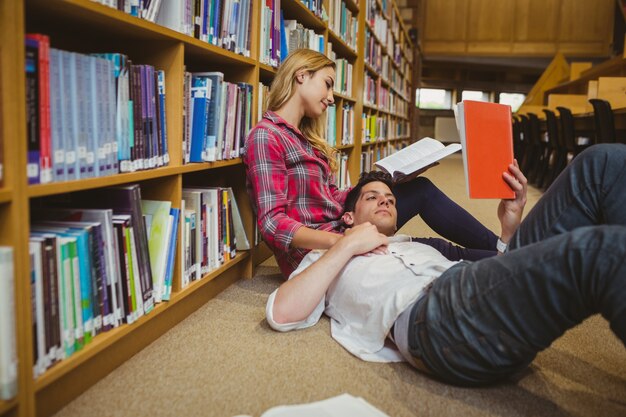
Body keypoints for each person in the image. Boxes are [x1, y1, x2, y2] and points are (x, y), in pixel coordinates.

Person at [266, 144, 626, 387]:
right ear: (347, 216)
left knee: (601, 163)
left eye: (390, 199)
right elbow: (281, 313)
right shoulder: (330, 255)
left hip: (473, 295)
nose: (385, 202)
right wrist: (347, 246)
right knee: (604, 251)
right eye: (372, 197)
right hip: (432, 316)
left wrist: (510, 226)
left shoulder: (421, 244)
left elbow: (504, 269)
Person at [242, 49, 499, 279]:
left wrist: (390, 182)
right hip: (318, 247)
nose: (332, 98)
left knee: (420, 189)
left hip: (344, 223)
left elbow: (334, 198)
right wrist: (343, 241)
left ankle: (506, 250)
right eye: (328, 84)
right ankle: (512, 258)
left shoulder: (307, 140)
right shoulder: (267, 136)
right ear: (301, 75)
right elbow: (273, 222)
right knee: (436, 249)